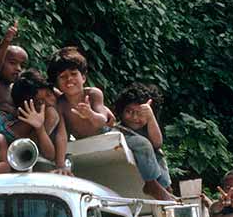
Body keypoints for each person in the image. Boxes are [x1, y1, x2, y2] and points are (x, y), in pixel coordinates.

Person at [47, 46, 175, 201]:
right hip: (82, 141)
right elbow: (61, 134)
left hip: (107, 133)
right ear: (57, 83)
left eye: (74, 74)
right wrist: (60, 164)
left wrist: (90, 114)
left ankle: (154, 184)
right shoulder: (60, 104)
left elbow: (102, 120)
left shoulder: (93, 94)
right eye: (63, 76)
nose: (69, 80)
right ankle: (157, 186)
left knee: (143, 144)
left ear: (83, 77)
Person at [113, 82, 174, 196]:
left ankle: (165, 188)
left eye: (140, 113)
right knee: (143, 144)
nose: (134, 118)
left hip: (159, 180)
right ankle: (151, 185)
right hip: (131, 179)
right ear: (121, 111)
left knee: (158, 154)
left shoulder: (149, 129)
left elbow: (157, 143)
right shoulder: (120, 131)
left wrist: (150, 118)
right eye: (129, 112)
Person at [8, 69, 69, 171]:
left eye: (49, 95)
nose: (49, 102)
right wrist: (39, 128)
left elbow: (60, 137)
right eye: (40, 102)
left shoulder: (57, 98)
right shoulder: (30, 115)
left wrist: (61, 165)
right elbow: (50, 154)